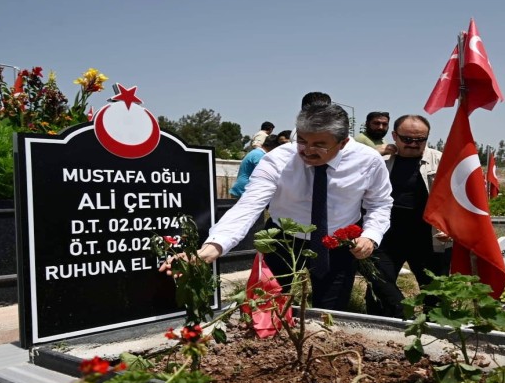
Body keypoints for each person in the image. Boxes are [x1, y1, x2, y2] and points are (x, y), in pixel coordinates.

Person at [162, 103, 393, 310]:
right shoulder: (278, 160)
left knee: (330, 309)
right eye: (302, 141)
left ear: (343, 143)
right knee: (265, 305)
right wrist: (212, 248)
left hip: (336, 243)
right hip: (282, 239)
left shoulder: (368, 161)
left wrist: (370, 236)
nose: (307, 150)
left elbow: (380, 203)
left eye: (319, 145)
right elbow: (248, 206)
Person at [363, 114, 451, 317]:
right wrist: (374, 152)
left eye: (420, 140)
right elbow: (344, 162)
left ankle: (433, 329)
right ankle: (394, 321)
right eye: (407, 139)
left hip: (429, 236)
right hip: (388, 235)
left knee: (435, 290)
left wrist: (450, 226)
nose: (413, 144)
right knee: (379, 284)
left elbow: (457, 198)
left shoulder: (440, 160)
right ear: (395, 136)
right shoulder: (380, 159)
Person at [229, 134, 282, 198]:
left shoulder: (256, 152)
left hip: (242, 190)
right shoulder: (260, 155)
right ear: (274, 146)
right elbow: (265, 174)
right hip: (244, 191)